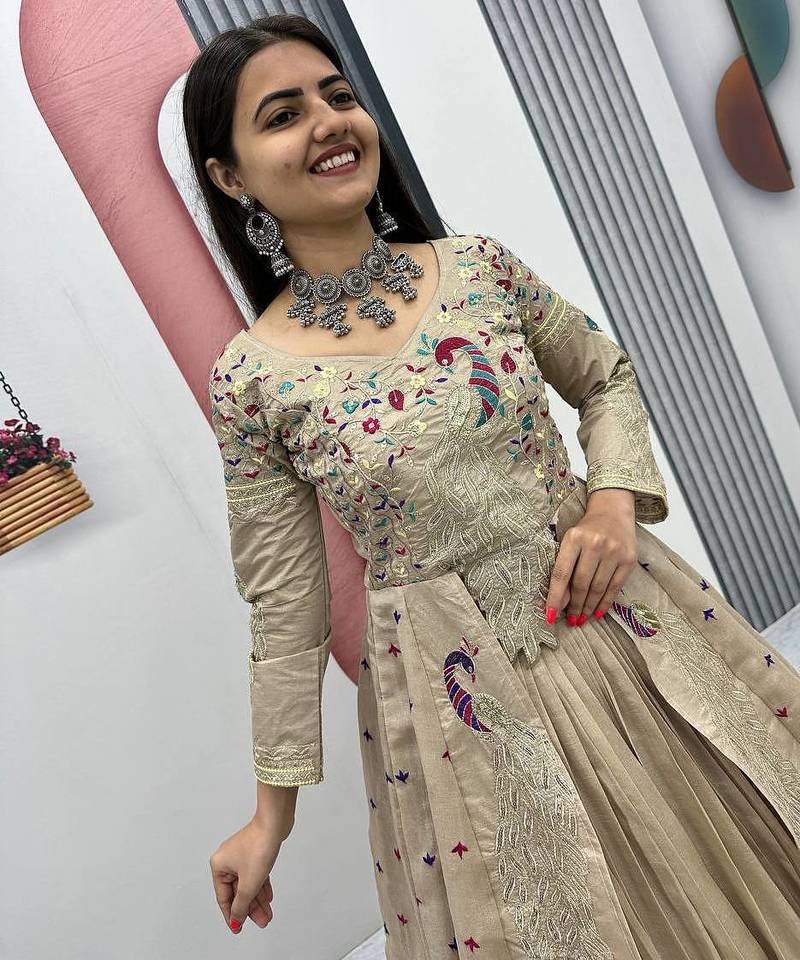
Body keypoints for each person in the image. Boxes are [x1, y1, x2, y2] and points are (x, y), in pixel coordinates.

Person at [185, 12, 800, 957]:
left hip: (615, 613)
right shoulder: (253, 381)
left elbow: (604, 376)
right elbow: (286, 606)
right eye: (282, 114)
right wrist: (272, 816)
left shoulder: (478, 269)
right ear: (231, 178)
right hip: (457, 693)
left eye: (338, 96)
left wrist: (612, 501)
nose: (328, 122)